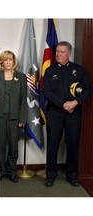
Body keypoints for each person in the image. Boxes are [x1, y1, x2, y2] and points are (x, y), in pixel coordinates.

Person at [43, 41, 91, 187]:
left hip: (73, 113)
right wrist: (63, 104)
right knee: (52, 144)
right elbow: (47, 92)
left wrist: (76, 102)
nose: (58, 54)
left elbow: (88, 89)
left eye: (62, 52)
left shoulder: (79, 70)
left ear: (69, 53)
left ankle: (72, 175)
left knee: (73, 143)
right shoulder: (50, 71)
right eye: (57, 51)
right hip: (55, 113)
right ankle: (51, 174)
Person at [0, 50, 27, 183]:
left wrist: (22, 119)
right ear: (2, 62)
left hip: (15, 118)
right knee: (0, 145)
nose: (8, 62)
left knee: (13, 146)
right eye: (6, 60)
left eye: (11, 59)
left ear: (14, 62)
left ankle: (12, 171)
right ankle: (1, 170)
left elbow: (23, 99)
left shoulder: (21, 77)